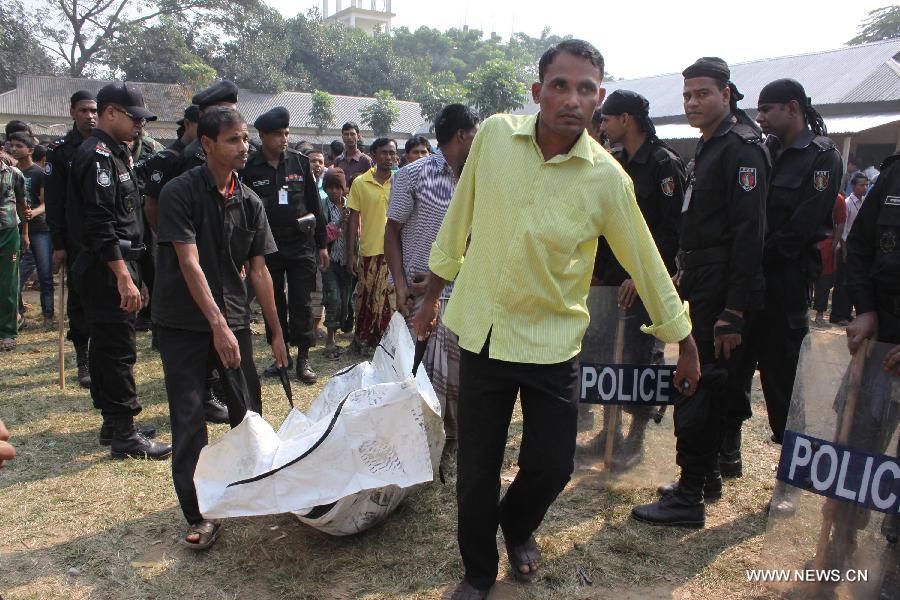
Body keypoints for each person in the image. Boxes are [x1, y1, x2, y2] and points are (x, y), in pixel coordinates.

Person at [411, 40, 699, 599]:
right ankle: (476, 572)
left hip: (552, 344)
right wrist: (431, 297)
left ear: (600, 98)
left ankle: (516, 526)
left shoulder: (607, 180)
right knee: (475, 469)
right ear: (537, 90)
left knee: (551, 465)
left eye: (586, 88)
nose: (572, 99)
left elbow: (646, 260)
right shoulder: (494, 136)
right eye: (560, 85)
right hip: (487, 336)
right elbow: (458, 217)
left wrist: (682, 341)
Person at [632, 57, 768, 526]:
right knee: (705, 384)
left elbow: (750, 236)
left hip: (724, 292)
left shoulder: (742, 149)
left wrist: (733, 310)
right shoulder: (711, 147)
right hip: (703, 283)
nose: (692, 102)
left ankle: (689, 496)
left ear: (726, 95)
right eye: (687, 95)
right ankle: (703, 479)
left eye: (702, 93)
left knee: (701, 384)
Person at [153, 106, 286, 551]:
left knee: (247, 409)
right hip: (184, 323)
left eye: (245, 138)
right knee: (189, 418)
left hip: (232, 318)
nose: (243, 146)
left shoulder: (250, 200)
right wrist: (216, 326)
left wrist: (276, 331)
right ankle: (200, 511)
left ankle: (251, 486)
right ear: (207, 144)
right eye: (233, 139)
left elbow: (260, 271)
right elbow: (188, 263)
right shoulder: (179, 192)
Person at [733, 79, 842, 448]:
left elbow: (803, 224)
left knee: (783, 381)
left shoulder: (822, 156)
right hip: (749, 279)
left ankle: (792, 475)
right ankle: (725, 455)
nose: (759, 117)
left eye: (767, 110)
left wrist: (753, 252)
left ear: (793, 108)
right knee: (732, 370)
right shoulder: (761, 151)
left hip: (786, 281)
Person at [67, 82, 170, 458]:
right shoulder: (96, 157)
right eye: (134, 118)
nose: (140, 126)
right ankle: (125, 434)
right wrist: (123, 276)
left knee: (109, 347)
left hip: (122, 262)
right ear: (111, 113)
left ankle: (114, 423)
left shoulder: (117, 153)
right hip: (107, 267)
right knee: (117, 349)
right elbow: (100, 224)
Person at [592, 89, 686, 470]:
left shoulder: (664, 164)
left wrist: (640, 275)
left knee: (641, 357)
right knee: (607, 356)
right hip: (610, 281)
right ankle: (607, 431)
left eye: (608, 120)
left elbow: (671, 231)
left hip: (644, 281)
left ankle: (635, 440)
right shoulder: (613, 162)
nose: (603, 127)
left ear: (626, 119)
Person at [141, 80, 241, 424]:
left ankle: (210, 390)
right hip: (187, 276)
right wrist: (170, 241)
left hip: (216, 275)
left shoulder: (237, 177)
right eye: (221, 113)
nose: (241, 144)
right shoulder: (188, 164)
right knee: (188, 405)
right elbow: (161, 211)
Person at [385, 103, 479, 452]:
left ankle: (451, 439)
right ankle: (417, 444)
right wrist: (398, 284)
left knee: (457, 377)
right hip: (418, 297)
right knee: (417, 374)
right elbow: (391, 232)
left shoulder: (478, 179)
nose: (478, 141)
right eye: (475, 135)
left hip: (461, 293)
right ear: (461, 135)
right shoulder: (413, 175)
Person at [842, 150, 900, 600]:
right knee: (856, 447)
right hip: (879, 338)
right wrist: (867, 309)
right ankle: (840, 551)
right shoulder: (895, 173)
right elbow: (860, 245)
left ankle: (891, 571)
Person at [240, 106, 327, 383]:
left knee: (302, 301)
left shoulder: (300, 163)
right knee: (273, 302)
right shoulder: (250, 167)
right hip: (267, 247)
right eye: (278, 134)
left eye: (287, 133)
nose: (284, 139)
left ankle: (303, 358)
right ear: (263, 136)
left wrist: (322, 245)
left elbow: (315, 204)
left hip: (301, 244)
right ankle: (281, 357)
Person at [45, 90, 97, 388]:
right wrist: (59, 244)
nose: (89, 116)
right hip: (76, 240)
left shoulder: (106, 146)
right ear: (72, 112)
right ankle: (83, 359)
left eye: (93, 110)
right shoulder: (60, 150)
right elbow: (54, 200)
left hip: (104, 238)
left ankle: (101, 358)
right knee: (78, 300)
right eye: (83, 110)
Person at [346, 137, 397, 352]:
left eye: (392, 153)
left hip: (395, 253)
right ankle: (364, 339)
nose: (389, 157)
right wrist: (351, 254)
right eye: (384, 153)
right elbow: (353, 220)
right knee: (366, 298)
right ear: (374, 155)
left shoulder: (401, 181)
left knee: (389, 301)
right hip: (369, 251)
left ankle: (385, 343)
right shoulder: (360, 182)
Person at [9, 132, 53, 329]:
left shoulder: (39, 173)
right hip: (17, 230)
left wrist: (32, 213)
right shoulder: (9, 172)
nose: (14, 149)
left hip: (40, 230)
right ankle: (18, 315)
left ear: (30, 150)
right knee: (14, 276)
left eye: (19, 146)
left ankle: (48, 315)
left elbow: (46, 203)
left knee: (45, 275)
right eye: (12, 146)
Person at [321, 167, 353, 358]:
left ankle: (343, 329)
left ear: (344, 189)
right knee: (333, 298)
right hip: (330, 261)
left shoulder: (351, 206)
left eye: (337, 187)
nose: (334, 191)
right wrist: (340, 222)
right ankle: (330, 339)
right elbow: (322, 236)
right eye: (330, 187)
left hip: (347, 260)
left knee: (346, 298)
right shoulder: (322, 207)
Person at [831, 173, 869, 325]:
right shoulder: (847, 202)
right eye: (861, 185)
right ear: (854, 186)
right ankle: (837, 314)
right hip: (846, 248)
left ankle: (846, 313)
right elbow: (844, 229)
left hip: (857, 249)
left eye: (866, 185)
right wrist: (845, 249)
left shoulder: (864, 202)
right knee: (842, 282)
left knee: (852, 281)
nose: (864, 187)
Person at [0, 151, 28, 351]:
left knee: (8, 283)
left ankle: (8, 332)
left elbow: (22, 204)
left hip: (8, 232)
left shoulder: (14, 173)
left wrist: (25, 233)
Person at [813, 193, 847, 325]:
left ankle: (820, 313)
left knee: (824, 279)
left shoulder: (838, 199)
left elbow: (841, 222)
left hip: (826, 243)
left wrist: (835, 242)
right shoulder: (811, 191)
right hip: (808, 241)